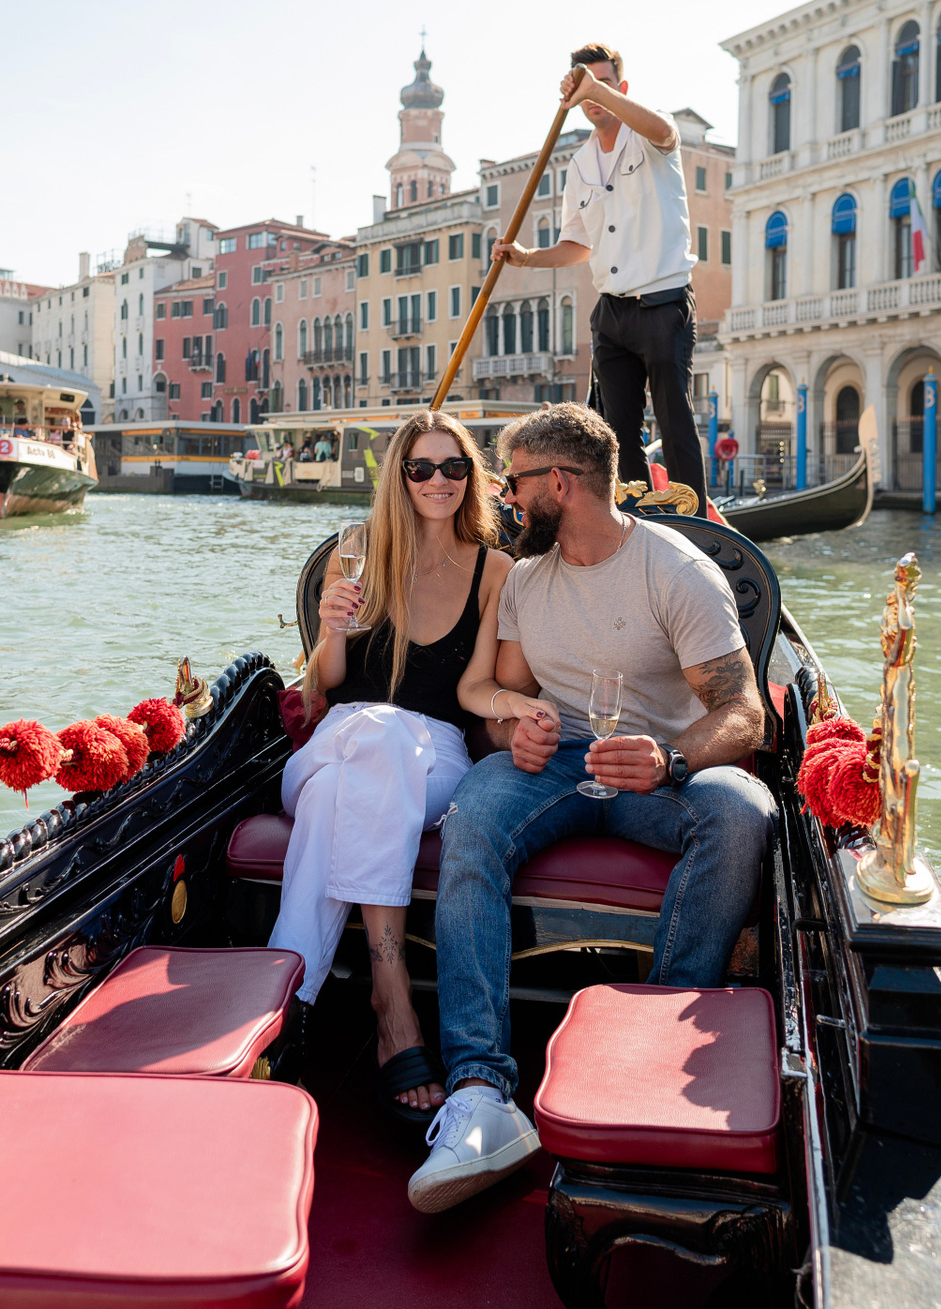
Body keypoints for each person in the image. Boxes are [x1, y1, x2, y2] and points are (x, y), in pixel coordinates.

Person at [405, 402, 775, 1213]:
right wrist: (515, 733)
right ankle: (480, 1091)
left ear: (559, 485)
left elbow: (746, 712)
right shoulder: (526, 579)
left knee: (741, 811)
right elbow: (501, 703)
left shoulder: (675, 572)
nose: (504, 498)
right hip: (559, 770)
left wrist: (670, 759)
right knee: (472, 815)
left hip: (661, 773)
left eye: (513, 483)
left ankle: (655, 1050)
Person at [268, 410, 518, 1125]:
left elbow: (474, 692)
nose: (439, 480)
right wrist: (331, 628)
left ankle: (282, 1001)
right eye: (421, 468)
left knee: (347, 779)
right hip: (340, 738)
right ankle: (391, 995)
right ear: (400, 478)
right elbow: (322, 685)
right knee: (362, 744)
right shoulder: (357, 551)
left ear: (471, 477)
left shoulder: (494, 571)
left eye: (454, 467)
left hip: (434, 755)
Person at [489, 43, 707, 512]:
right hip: (610, 313)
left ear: (620, 88)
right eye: (587, 87)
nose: (594, 95)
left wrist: (594, 90)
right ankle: (637, 520)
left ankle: (694, 525)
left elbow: (666, 132)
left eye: (604, 84)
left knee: (675, 420)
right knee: (616, 433)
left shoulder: (649, 134)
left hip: (663, 301)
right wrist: (526, 258)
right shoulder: (579, 165)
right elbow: (578, 245)